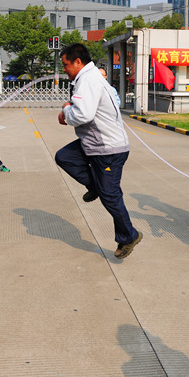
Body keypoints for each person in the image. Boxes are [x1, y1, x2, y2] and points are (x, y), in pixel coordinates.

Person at [55, 43, 142, 259]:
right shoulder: (87, 78)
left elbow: (83, 115)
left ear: (78, 62)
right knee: (64, 157)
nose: (64, 69)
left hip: (107, 148)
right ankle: (95, 186)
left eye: (66, 64)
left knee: (110, 196)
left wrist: (66, 111)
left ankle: (128, 235)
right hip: (93, 144)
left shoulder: (88, 79)